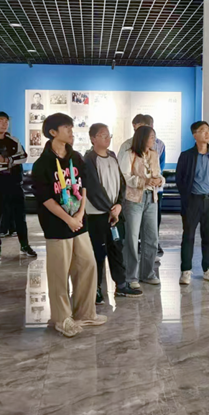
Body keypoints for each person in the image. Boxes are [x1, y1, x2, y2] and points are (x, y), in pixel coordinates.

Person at [32, 113, 106, 337]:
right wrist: (68, 219)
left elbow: (83, 186)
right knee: (59, 273)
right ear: (53, 132)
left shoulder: (76, 157)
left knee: (87, 265)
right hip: (57, 225)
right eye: (66, 128)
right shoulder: (42, 163)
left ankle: (85, 313)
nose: (71, 131)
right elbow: (45, 198)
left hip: (79, 222)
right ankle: (62, 318)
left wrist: (80, 214)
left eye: (71, 127)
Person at [84, 124, 143, 304]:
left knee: (116, 249)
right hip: (97, 214)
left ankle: (121, 285)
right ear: (93, 138)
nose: (107, 138)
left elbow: (121, 183)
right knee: (97, 253)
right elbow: (93, 189)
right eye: (102, 135)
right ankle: (95, 289)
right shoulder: (89, 159)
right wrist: (110, 208)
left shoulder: (112, 156)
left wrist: (118, 205)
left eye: (108, 135)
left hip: (114, 213)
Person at [0, 111, 37, 261]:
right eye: (0, 121)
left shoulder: (13, 140)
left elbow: (23, 157)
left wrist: (6, 160)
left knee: (20, 217)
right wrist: (12, 161)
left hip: (14, 184)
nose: (4, 124)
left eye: (6, 121)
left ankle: (24, 245)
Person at [176, 121, 209, 286]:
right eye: (203, 131)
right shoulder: (186, 156)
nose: (207, 133)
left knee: (208, 238)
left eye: (208, 130)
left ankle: (208, 269)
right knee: (188, 236)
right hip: (193, 201)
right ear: (194, 135)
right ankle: (186, 271)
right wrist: (187, 198)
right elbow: (180, 179)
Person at [119, 126, 165, 289]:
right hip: (133, 199)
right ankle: (131, 276)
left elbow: (158, 174)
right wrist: (143, 181)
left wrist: (159, 180)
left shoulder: (154, 154)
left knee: (152, 237)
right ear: (142, 138)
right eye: (151, 137)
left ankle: (148, 273)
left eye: (154, 136)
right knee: (132, 238)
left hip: (151, 198)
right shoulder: (129, 154)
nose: (153, 140)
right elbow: (125, 176)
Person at [144, 115, 166, 257]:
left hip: (156, 189)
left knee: (155, 218)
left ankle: (155, 243)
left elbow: (160, 166)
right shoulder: (132, 145)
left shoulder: (160, 145)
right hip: (139, 189)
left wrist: (156, 179)